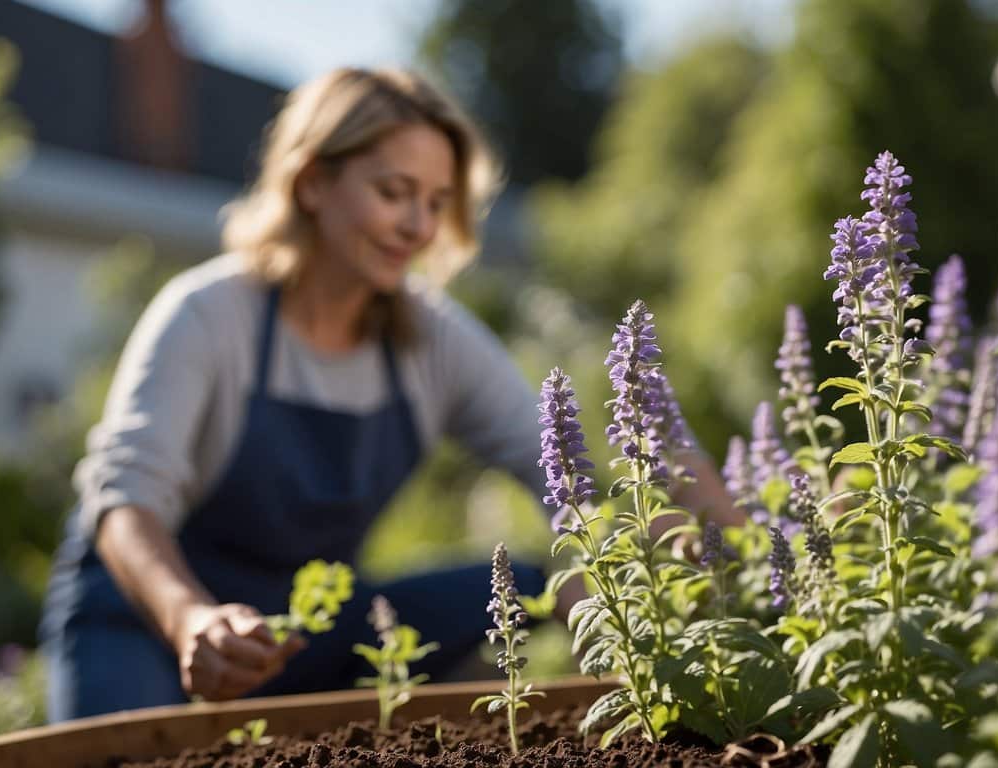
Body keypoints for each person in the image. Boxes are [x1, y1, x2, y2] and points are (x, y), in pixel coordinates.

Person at [39, 67, 739, 723]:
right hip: (145, 621)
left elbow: (560, 457)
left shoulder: (431, 340)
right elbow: (126, 503)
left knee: (531, 585)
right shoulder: (206, 314)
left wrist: (718, 540)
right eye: (393, 192)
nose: (419, 227)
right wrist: (192, 618)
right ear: (313, 183)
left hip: (304, 631)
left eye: (436, 203)